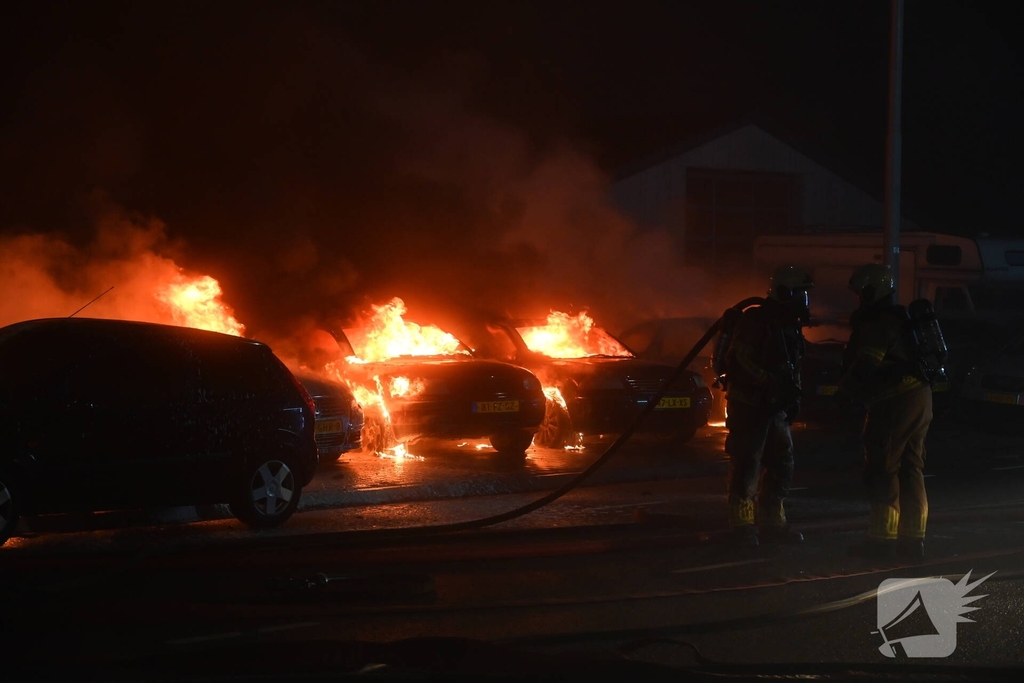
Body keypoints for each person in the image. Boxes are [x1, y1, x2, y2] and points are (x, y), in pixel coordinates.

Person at [838, 263, 932, 561]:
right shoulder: (901, 318)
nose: (858, 300)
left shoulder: (878, 324)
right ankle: (912, 542)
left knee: (882, 468)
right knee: (911, 467)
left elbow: (866, 367)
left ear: (869, 292)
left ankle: (880, 542)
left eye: (859, 294)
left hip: (895, 403)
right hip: (920, 397)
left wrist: (844, 393)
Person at [722, 265, 814, 546]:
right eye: (800, 293)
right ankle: (742, 528)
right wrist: (768, 382)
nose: (805, 300)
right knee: (747, 464)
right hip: (750, 404)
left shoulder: (788, 325)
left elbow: (793, 366)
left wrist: (792, 397)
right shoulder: (755, 320)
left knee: (781, 464)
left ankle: (774, 524)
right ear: (785, 292)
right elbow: (740, 359)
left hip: (776, 407)